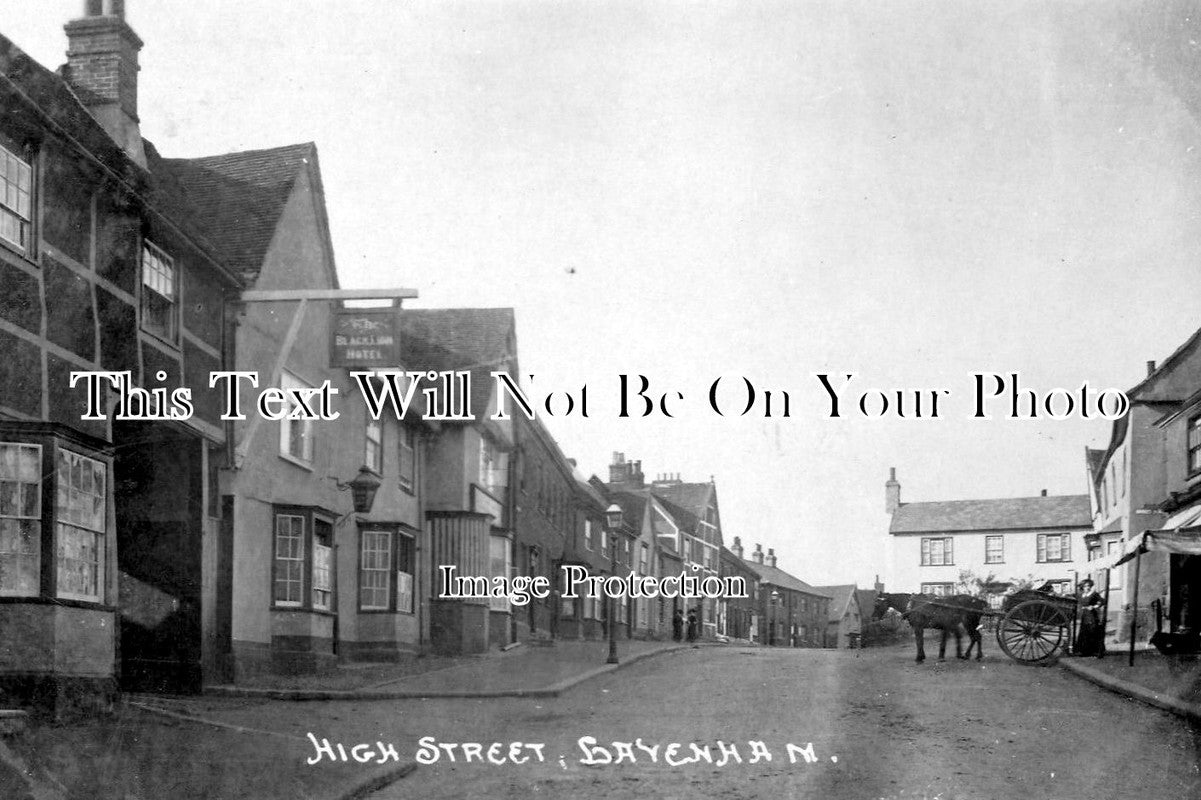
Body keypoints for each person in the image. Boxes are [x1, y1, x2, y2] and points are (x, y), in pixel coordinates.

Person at [1075, 579, 1106, 658]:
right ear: (1082, 587)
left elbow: (1102, 601)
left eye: (1088, 586)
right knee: (1084, 632)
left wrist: (1094, 606)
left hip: (1092, 615)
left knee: (1092, 631)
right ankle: (1085, 651)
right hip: (1084, 615)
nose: (1087, 588)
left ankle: (1095, 651)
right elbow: (1074, 597)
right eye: (1085, 586)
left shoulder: (1094, 594)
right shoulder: (1081, 594)